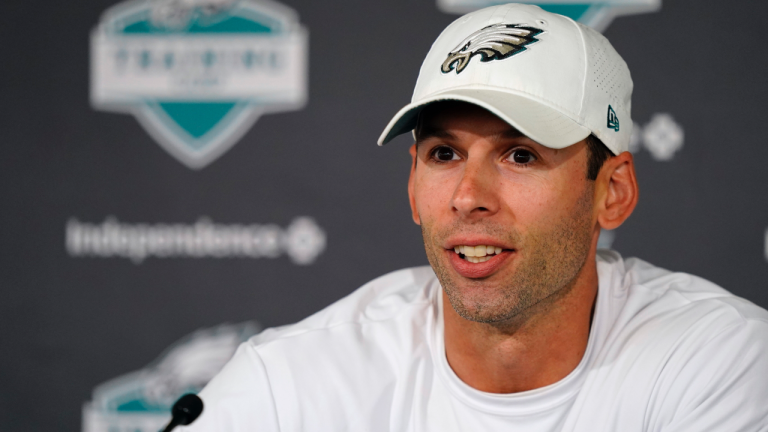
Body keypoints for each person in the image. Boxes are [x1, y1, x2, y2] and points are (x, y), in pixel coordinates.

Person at [182, 4, 768, 431]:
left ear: (612, 191)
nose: (468, 196)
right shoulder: (290, 382)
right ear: (413, 186)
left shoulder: (719, 360)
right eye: (445, 154)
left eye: (520, 155)